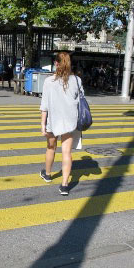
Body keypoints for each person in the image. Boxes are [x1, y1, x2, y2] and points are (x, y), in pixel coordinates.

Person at [39, 52, 83, 196]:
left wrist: (42, 124)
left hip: (53, 120)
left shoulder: (48, 81)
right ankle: (64, 185)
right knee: (66, 153)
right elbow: (81, 98)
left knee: (51, 148)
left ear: (56, 63)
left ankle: (47, 174)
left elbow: (44, 106)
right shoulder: (77, 80)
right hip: (70, 122)